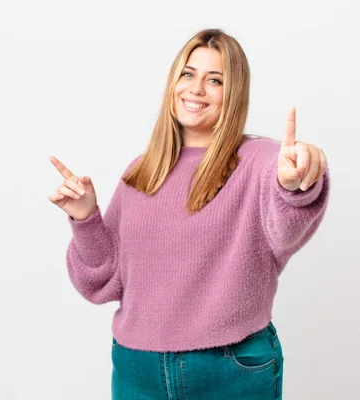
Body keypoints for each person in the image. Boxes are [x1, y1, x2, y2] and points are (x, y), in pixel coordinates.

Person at [48, 29, 330, 400]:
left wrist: (297, 182)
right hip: (138, 369)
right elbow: (103, 283)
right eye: (188, 74)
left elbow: (286, 221)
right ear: (173, 84)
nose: (196, 89)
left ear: (234, 94)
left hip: (229, 367)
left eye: (214, 80)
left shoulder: (260, 161)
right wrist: (86, 219)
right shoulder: (142, 172)